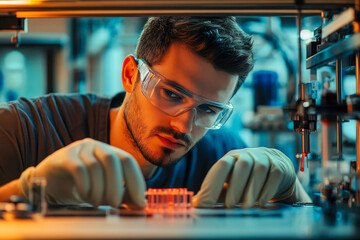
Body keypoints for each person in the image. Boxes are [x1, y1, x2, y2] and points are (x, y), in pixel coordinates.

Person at [0, 16, 311, 209]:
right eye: (171, 94)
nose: (184, 126)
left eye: (208, 109)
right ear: (130, 75)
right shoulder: (26, 130)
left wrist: (293, 192)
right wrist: (26, 190)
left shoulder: (222, 153)